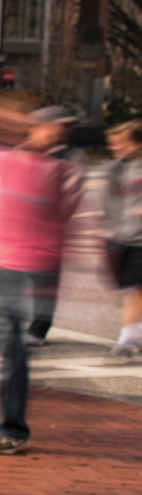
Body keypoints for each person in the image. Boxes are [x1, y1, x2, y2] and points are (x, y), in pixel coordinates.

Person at [0, 102, 76, 456]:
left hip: (29, 261)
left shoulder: (60, 167)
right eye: (50, 127)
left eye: (60, 128)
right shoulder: (10, 161)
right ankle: (11, 425)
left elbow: (60, 212)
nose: (56, 133)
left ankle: (13, 428)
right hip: (4, 262)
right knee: (6, 343)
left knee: (11, 344)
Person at [22, 107, 84, 347]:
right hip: (19, 231)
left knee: (45, 285)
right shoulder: (23, 152)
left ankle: (38, 329)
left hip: (47, 234)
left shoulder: (70, 158)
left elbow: (70, 199)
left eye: (65, 126)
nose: (63, 130)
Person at [107, 122, 142, 358]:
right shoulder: (116, 170)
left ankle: (128, 338)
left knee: (135, 291)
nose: (115, 148)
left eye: (121, 143)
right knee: (131, 290)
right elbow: (111, 203)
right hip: (123, 239)